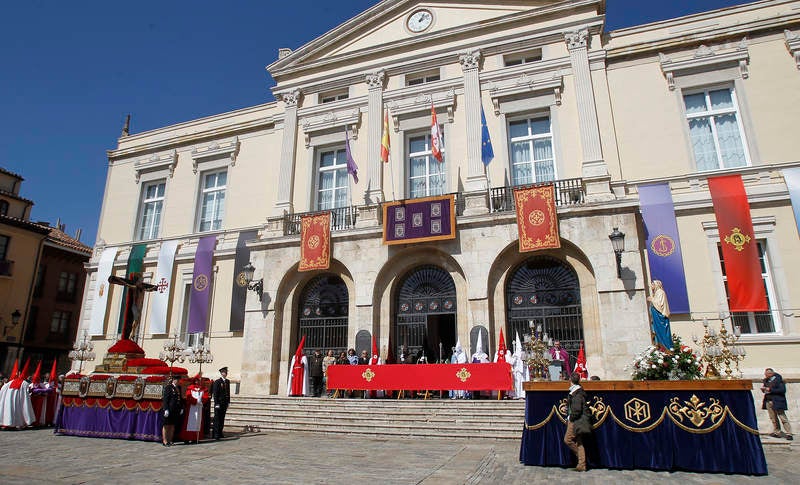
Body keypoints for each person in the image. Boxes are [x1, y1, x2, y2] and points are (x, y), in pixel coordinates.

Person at [563, 373, 588, 472]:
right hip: (576, 419)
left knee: (568, 439)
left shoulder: (577, 393)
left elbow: (577, 410)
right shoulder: (576, 392)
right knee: (579, 441)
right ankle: (582, 464)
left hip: (575, 420)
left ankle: (582, 460)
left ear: (571, 381)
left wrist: (571, 417)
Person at [762, 368, 793, 440]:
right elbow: (766, 389)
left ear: (771, 374)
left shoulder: (779, 380)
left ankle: (789, 433)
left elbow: (782, 390)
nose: (765, 375)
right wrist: (764, 389)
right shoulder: (766, 380)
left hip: (777, 401)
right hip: (768, 401)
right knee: (773, 418)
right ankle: (777, 431)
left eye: (766, 374)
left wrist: (770, 389)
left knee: (782, 417)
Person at [181, 375, 210, 443]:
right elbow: (188, 396)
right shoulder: (190, 388)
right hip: (192, 408)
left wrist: (202, 400)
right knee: (190, 423)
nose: (197, 382)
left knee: (198, 422)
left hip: (199, 407)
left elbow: (205, 397)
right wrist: (195, 401)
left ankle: (195, 438)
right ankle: (187, 437)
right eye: (196, 381)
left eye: (199, 381)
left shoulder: (203, 389)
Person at [647, 279, 672, 349]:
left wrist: (652, 300)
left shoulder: (660, 292)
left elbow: (660, 305)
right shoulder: (656, 293)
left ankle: (666, 348)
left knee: (662, 333)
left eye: (652, 284)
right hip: (656, 317)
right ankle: (660, 347)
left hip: (660, 317)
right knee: (657, 332)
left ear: (656, 285)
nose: (651, 286)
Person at [161, 375, 183, 446]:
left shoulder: (178, 388)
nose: (178, 381)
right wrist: (166, 409)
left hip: (175, 409)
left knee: (172, 426)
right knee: (166, 425)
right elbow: (165, 399)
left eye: (178, 380)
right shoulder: (169, 387)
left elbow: (180, 399)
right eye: (177, 380)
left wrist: (181, 407)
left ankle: (170, 440)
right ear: (173, 380)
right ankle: (165, 441)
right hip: (169, 409)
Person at [212, 367, 231, 440]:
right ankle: (215, 434)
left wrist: (228, 401)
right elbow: (215, 393)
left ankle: (220, 432)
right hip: (219, 403)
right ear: (221, 373)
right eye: (224, 372)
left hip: (224, 403)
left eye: (226, 372)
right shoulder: (217, 382)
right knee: (217, 418)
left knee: (222, 418)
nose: (225, 374)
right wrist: (216, 403)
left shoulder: (227, 381)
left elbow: (228, 392)